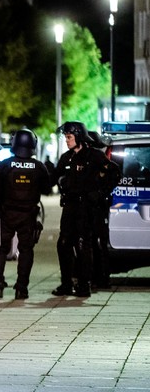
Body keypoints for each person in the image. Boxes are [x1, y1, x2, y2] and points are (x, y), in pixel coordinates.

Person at [0, 129, 51, 299]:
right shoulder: (39, 167)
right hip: (28, 215)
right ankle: (22, 288)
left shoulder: (4, 166)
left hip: (5, 214)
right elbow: (47, 190)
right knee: (26, 250)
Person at [53, 121, 113, 298]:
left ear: (78, 137)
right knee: (63, 244)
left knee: (82, 244)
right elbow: (54, 177)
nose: (66, 140)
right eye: (65, 137)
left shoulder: (94, 156)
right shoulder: (66, 158)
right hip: (70, 206)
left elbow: (114, 174)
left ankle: (84, 284)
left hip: (86, 207)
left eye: (69, 137)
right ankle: (66, 283)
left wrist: (101, 193)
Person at [86, 131, 122, 291]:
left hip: (99, 209)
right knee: (93, 243)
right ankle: (95, 277)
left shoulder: (99, 161)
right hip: (90, 207)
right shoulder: (89, 160)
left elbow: (115, 173)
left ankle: (102, 278)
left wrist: (103, 193)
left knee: (99, 244)